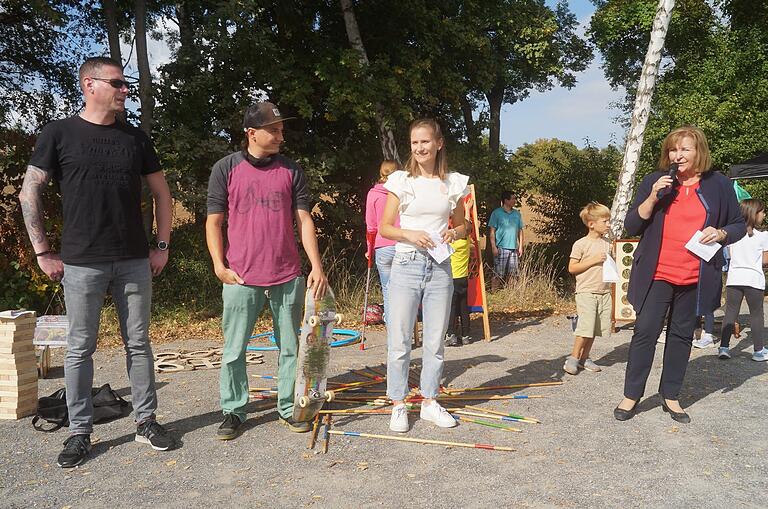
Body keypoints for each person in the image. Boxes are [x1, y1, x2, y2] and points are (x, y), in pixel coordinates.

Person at [19, 56, 174, 468]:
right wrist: (43, 252)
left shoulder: (135, 138)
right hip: (81, 261)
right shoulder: (59, 133)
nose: (125, 91)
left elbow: (162, 193)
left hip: (133, 259)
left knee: (138, 343)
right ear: (90, 84)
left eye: (126, 85)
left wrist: (162, 244)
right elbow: (29, 191)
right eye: (119, 83)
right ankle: (79, 433)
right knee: (79, 348)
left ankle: (146, 422)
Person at [206, 101, 328, 440]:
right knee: (234, 349)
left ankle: (288, 409)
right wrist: (219, 265)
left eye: (281, 130)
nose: (279, 135)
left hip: (287, 275)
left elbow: (304, 220)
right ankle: (233, 410)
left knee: (290, 347)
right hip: (240, 276)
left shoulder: (291, 171)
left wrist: (315, 266)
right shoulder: (226, 168)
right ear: (251, 133)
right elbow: (214, 221)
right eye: (273, 130)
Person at [614, 126, 746, 424]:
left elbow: (738, 224)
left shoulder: (719, 184)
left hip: (694, 277)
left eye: (685, 149)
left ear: (699, 151)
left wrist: (722, 232)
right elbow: (632, 226)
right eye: (674, 149)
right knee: (645, 332)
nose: (678, 155)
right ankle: (631, 395)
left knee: (681, 336)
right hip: (657, 273)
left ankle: (670, 395)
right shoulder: (655, 181)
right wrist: (651, 197)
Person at [379, 118, 469, 433]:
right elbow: (385, 228)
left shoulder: (453, 183)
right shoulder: (401, 181)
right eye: (415, 142)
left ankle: (430, 401)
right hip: (406, 265)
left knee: (434, 340)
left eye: (425, 142)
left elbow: (464, 226)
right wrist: (411, 234)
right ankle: (399, 404)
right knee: (400, 339)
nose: (419, 148)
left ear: (439, 143)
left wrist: (455, 232)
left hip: (441, 268)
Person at [716, 199, 768, 361]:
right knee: (756, 314)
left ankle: (724, 347)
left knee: (731, 313)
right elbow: (765, 260)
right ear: (754, 214)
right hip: (753, 279)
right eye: (762, 212)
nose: (764, 214)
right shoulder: (763, 235)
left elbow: (729, 255)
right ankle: (758, 351)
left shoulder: (734, 235)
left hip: (735, 277)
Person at [564, 202, 612, 375]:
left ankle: (585, 358)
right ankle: (573, 358)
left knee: (594, 328)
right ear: (592, 224)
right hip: (586, 291)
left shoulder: (608, 243)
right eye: (605, 221)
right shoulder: (581, 244)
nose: (608, 224)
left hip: (604, 291)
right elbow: (572, 268)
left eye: (609, 221)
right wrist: (594, 260)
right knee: (585, 327)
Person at [365, 160, 400, 319]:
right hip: (402, 244)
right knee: (405, 291)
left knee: (388, 289)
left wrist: (369, 249)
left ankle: (392, 331)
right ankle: (405, 327)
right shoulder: (401, 193)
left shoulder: (373, 194)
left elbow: (371, 227)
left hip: (382, 246)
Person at [446, 197, 473, 347]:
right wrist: (467, 210)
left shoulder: (453, 241)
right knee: (464, 307)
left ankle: (451, 334)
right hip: (463, 278)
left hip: (452, 278)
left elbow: (458, 229)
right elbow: (466, 227)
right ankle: (466, 335)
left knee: (452, 307)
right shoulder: (466, 241)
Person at [488, 191, 524, 288]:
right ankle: (494, 293)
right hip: (501, 247)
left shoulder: (517, 214)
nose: (514, 201)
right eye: (512, 199)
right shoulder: (496, 213)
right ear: (506, 200)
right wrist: (493, 247)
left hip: (514, 249)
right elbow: (492, 232)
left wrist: (520, 246)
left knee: (513, 274)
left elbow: (520, 231)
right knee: (498, 273)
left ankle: (511, 293)